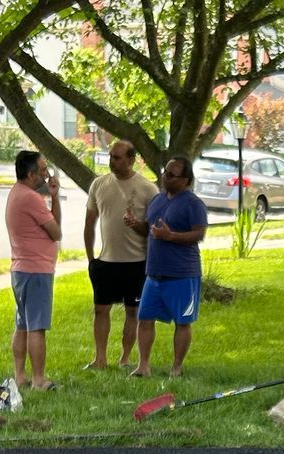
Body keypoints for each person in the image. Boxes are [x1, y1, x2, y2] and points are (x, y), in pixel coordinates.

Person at [82, 138, 156, 370]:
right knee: (100, 309)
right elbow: (89, 222)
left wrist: (136, 225)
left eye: (117, 157)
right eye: (110, 156)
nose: (111, 162)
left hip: (136, 263)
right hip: (106, 262)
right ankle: (100, 358)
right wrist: (91, 258)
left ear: (132, 160)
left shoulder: (147, 189)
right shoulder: (98, 184)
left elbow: (152, 230)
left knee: (132, 311)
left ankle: (125, 358)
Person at [135, 157, 209, 378]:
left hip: (182, 274)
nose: (165, 177)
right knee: (145, 318)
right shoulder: (157, 200)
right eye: (165, 172)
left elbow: (199, 234)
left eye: (171, 175)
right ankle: (143, 366)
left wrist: (171, 236)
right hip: (154, 272)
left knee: (182, 322)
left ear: (185, 179)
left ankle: (176, 367)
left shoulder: (193, 204)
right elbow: (149, 230)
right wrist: (134, 224)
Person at [5, 147, 61, 389]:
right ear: (30, 175)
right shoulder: (31, 198)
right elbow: (56, 231)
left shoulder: (17, 193)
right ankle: (39, 379)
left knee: (23, 324)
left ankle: (20, 375)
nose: (46, 175)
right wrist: (51, 199)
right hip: (36, 270)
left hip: (21, 268)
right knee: (36, 327)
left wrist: (54, 196)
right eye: (42, 170)